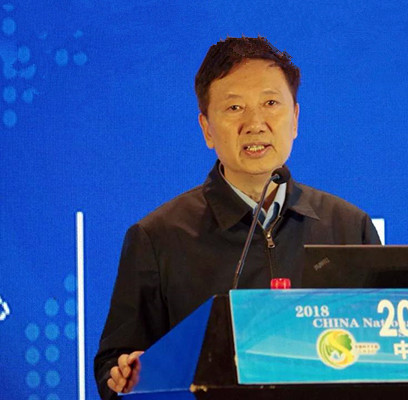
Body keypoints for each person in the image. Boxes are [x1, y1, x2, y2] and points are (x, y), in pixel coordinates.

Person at [94, 36, 381, 399]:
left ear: (295, 119)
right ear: (207, 129)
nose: (255, 123)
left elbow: (385, 354)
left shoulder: (349, 226)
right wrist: (126, 373)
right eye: (234, 108)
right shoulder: (158, 237)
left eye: (271, 103)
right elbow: (115, 366)